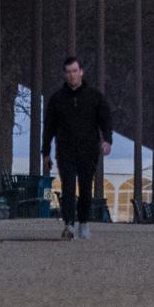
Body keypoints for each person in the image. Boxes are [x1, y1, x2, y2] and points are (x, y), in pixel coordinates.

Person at [42, 55, 113, 240]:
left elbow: (105, 120)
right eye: (68, 72)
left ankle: (83, 222)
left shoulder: (94, 97)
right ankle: (69, 224)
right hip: (65, 150)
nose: (72, 75)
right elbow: (49, 126)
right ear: (64, 75)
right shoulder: (57, 99)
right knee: (67, 186)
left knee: (85, 188)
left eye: (74, 71)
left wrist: (107, 140)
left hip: (88, 150)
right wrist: (45, 151)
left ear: (81, 72)